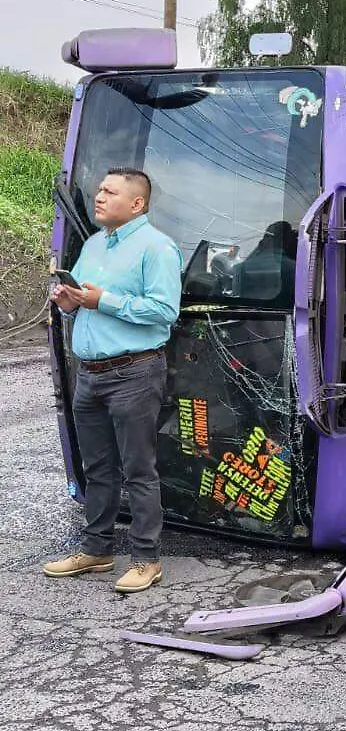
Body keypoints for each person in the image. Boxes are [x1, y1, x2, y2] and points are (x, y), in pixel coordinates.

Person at [43, 168, 183, 593]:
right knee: (98, 468)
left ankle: (146, 559)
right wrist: (69, 303)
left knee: (139, 469)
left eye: (109, 191)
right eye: (100, 189)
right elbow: (83, 305)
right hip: (89, 374)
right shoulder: (93, 244)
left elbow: (164, 311)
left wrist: (104, 299)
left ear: (136, 203)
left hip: (134, 373)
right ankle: (97, 548)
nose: (98, 196)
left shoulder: (158, 248)